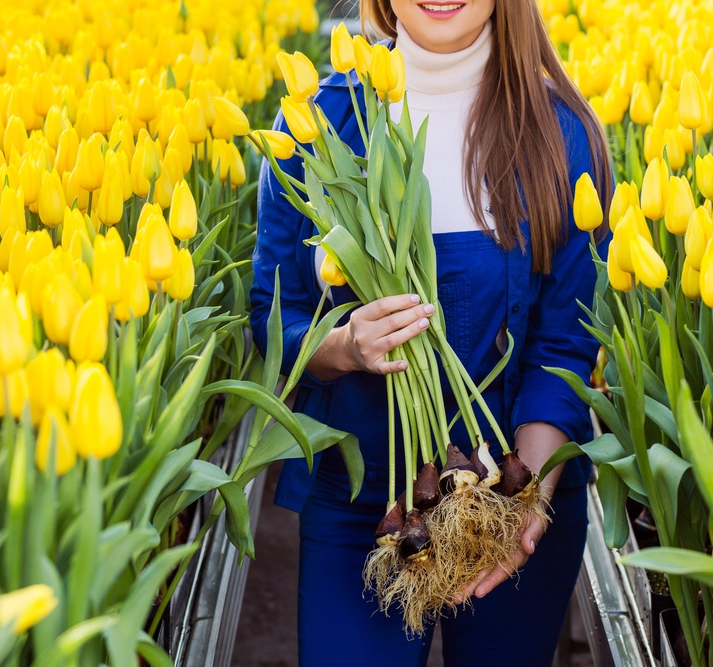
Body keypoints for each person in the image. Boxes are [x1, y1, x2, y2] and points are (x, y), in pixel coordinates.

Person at [250, 1, 613, 665]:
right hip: (365, 506)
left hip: (509, 486)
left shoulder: (559, 132)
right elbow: (273, 316)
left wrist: (524, 502)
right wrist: (345, 345)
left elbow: (564, 345)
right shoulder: (318, 126)